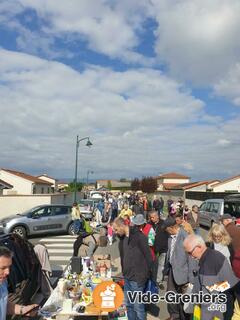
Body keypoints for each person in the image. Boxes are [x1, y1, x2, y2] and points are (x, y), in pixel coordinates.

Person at [183, 234, 240, 320]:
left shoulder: (209, 264)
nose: (190, 256)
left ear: (199, 247)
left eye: (190, 252)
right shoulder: (212, 254)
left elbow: (209, 299)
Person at [113, 217, 152, 320]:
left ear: (122, 226)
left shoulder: (139, 237)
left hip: (137, 278)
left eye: (116, 229)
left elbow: (149, 257)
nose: (115, 232)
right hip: (127, 277)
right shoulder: (122, 239)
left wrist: (145, 275)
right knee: (129, 305)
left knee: (138, 307)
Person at [163, 217, 195, 320]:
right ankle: (174, 316)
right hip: (172, 271)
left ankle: (184, 317)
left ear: (172, 227)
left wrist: (191, 279)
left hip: (184, 274)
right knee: (171, 296)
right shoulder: (170, 237)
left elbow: (191, 259)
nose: (165, 232)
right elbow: (170, 254)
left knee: (184, 301)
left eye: (166, 229)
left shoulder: (185, 237)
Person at [0, 246, 39, 319]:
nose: (8, 272)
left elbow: (4, 304)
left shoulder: (3, 281)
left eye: (9, 267)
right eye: (3, 268)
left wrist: (23, 310)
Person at [149, 211, 168, 290]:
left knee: (161, 265)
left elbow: (168, 235)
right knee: (151, 265)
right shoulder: (149, 224)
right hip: (152, 248)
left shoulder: (164, 224)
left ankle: (159, 281)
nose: (151, 219)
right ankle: (151, 279)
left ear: (157, 216)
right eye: (150, 217)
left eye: (153, 217)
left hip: (162, 248)